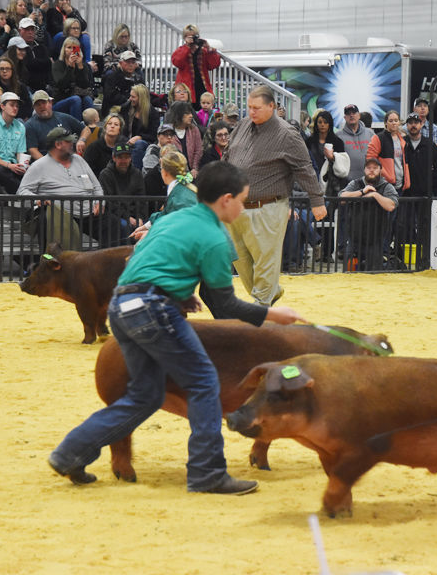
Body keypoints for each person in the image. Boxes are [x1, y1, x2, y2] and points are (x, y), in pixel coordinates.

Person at [48, 161, 303, 492]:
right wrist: (272, 315)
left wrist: (177, 291)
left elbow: (139, 257)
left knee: (145, 395)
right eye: (242, 200)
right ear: (226, 199)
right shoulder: (215, 238)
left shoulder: (174, 218)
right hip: (153, 310)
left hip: (123, 306)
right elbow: (223, 305)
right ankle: (207, 473)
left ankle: (70, 452)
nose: (243, 207)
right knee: (203, 382)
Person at [223, 85, 326, 305]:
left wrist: (317, 201)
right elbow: (227, 156)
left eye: (257, 108)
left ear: (272, 106)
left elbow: (304, 168)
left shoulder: (287, 134)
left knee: (265, 262)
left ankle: (261, 309)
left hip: (267, 207)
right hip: (235, 207)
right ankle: (270, 292)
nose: (251, 112)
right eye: (249, 107)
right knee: (239, 259)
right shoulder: (241, 125)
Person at [17, 126, 121, 250]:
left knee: (116, 226)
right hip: (62, 214)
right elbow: (22, 191)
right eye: (69, 141)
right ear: (58, 144)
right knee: (49, 222)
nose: (73, 143)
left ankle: (107, 266)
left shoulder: (79, 160)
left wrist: (99, 201)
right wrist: (37, 199)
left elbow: (97, 186)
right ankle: (52, 265)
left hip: (90, 211)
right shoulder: (39, 166)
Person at [339, 157, 399, 271]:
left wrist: (375, 195)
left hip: (376, 240)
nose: (371, 170)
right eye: (368, 168)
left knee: (373, 274)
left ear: (380, 170)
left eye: (375, 168)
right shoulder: (356, 183)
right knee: (349, 273)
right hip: (354, 238)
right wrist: (362, 192)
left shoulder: (386, 186)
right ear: (364, 170)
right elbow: (341, 198)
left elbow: (391, 205)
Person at [132, 148, 197, 243]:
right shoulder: (184, 188)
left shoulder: (179, 197)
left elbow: (176, 228)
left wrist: (150, 233)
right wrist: (146, 226)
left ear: (164, 172)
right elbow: (167, 213)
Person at [24, 89, 87, 160]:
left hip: (69, 159)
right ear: (34, 108)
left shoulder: (64, 117)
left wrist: (82, 140)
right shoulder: (30, 125)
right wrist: (50, 165)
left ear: (50, 103)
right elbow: (33, 151)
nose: (41, 106)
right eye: (38, 105)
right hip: (47, 162)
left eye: (44, 103)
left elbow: (85, 129)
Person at [171, 24, 220, 111]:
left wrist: (210, 49)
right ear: (185, 38)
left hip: (202, 87)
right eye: (189, 36)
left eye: (194, 36)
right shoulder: (181, 50)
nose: (192, 39)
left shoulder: (203, 50)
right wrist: (187, 48)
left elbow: (214, 64)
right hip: (186, 89)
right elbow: (177, 62)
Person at [98, 143, 145, 234]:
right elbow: (109, 203)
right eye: (120, 157)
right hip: (115, 215)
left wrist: (139, 218)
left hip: (135, 215)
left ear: (131, 158)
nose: (123, 160)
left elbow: (142, 199)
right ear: (114, 158)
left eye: (126, 157)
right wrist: (128, 218)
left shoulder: (137, 173)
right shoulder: (105, 174)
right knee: (123, 227)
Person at [50, 36, 95, 121]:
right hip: (61, 101)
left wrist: (80, 67)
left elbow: (85, 85)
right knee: (76, 99)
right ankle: (76, 128)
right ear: (64, 49)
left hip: (79, 98)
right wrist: (70, 67)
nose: (71, 50)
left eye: (74, 48)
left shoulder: (83, 66)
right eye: (69, 47)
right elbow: (61, 85)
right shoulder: (58, 64)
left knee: (88, 99)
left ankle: (91, 128)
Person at [366, 109, 410, 193]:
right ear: (386, 123)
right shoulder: (378, 138)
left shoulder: (403, 140)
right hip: (384, 184)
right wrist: (383, 175)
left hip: (400, 185)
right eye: (391, 121)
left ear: (399, 123)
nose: (394, 123)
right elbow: (370, 159)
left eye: (396, 120)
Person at [118, 83, 159, 170]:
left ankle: (136, 173)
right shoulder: (126, 108)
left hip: (145, 142)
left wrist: (139, 137)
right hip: (126, 139)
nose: (130, 99)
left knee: (139, 144)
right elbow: (121, 128)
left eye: (133, 97)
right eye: (130, 96)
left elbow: (154, 134)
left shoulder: (153, 113)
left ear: (141, 99)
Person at [306, 110, 346, 196]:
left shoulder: (338, 142)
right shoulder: (309, 141)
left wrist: (333, 157)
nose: (322, 125)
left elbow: (342, 163)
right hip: (312, 179)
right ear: (316, 124)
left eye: (325, 122)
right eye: (320, 122)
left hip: (331, 182)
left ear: (330, 124)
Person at [45, 0, 91, 65]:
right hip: (59, 36)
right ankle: (60, 62)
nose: (65, 2)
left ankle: (87, 63)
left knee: (85, 37)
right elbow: (54, 28)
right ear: (57, 2)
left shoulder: (73, 10)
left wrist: (70, 13)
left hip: (74, 36)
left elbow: (83, 25)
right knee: (61, 35)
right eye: (62, 0)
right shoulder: (52, 11)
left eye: (67, 0)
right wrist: (72, 31)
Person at [403, 111, 437, 197]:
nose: (413, 125)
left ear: (421, 124)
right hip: (405, 194)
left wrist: (432, 188)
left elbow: (436, 169)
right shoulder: (402, 143)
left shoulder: (430, 145)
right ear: (407, 126)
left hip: (425, 194)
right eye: (410, 123)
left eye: (416, 122)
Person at [337, 104, 373, 183]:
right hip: (347, 182)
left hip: (368, 180)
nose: (351, 115)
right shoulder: (338, 136)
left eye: (354, 113)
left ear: (359, 115)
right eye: (348, 113)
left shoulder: (370, 133)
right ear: (345, 117)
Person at [102, 50, 143, 117]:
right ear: (121, 63)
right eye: (128, 62)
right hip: (114, 110)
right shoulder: (111, 77)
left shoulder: (138, 78)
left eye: (133, 62)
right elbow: (110, 96)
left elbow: (144, 94)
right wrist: (129, 99)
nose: (131, 65)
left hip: (134, 108)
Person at [164, 100, 202, 174]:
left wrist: (195, 169)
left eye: (191, 113)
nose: (191, 116)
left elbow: (198, 151)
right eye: (187, 113)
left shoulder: (194, 129)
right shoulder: (167, 131)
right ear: (178, 115)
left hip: (192, 172)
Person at [0, 54, 33, 119]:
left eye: (7, 68)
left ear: (12, 70)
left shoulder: (21, 87)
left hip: (19, 118)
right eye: (2, 69)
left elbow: (28, 106)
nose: (4, 71)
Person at [83, 113, 124, 177]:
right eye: (109, 123)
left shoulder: (123, 147)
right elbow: (87, 171)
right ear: (105, 127)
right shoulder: (94, 147)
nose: (112, 126)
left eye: (116, 124)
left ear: (120, 130)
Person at [143, 122, 177, 196]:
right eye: (165, 134)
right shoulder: (153, 151)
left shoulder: (177, 152)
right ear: (158, 136)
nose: (169, 137)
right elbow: (151, 173)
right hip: (155, 189)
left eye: (171, 135)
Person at [18, 17, 50, 93]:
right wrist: (43, 62)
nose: (30, 32)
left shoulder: (41, 47)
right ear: (19, 31)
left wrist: (33, 62)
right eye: (26, 29)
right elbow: (26, 64)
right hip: (26, 87)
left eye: (32, 29)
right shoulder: (17, 47)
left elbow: (48, 64)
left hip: (43, 86)